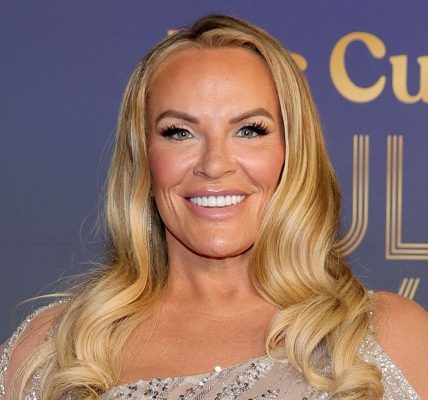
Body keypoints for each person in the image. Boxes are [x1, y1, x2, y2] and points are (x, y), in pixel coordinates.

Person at [0, 14, 427, 400]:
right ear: (143, 156)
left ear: (291, 151)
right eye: (179, 132)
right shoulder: (51, 350)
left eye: (250, 130)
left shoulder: (389, 338)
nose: (215, 164)